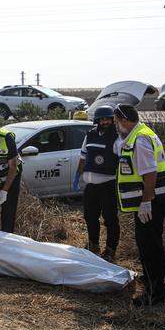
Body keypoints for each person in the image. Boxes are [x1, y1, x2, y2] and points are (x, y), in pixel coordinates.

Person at [113, 104, 165, 307]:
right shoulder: (138, 134)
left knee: (149, 247)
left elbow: (150, 173)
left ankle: (155, 295)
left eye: (116, 121)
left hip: (152, 202)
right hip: (153, 200)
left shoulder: (140, 139)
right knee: (150, 244)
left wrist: (146, 203)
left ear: (124, 120)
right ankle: (154, 284)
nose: (115, 125)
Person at [73, 106, 120, 262]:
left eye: (108, 119)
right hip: (91, 186)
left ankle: (110, 250)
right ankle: (93, 245)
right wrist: (77, 175)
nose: (105, 122)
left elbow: (123, 162)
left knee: (110, 219)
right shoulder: (91, 135)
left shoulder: (117, 138)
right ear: (97, 120)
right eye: (102, 119)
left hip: (108, 185)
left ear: (113, 120)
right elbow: (83, 156)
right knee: (89, 217)